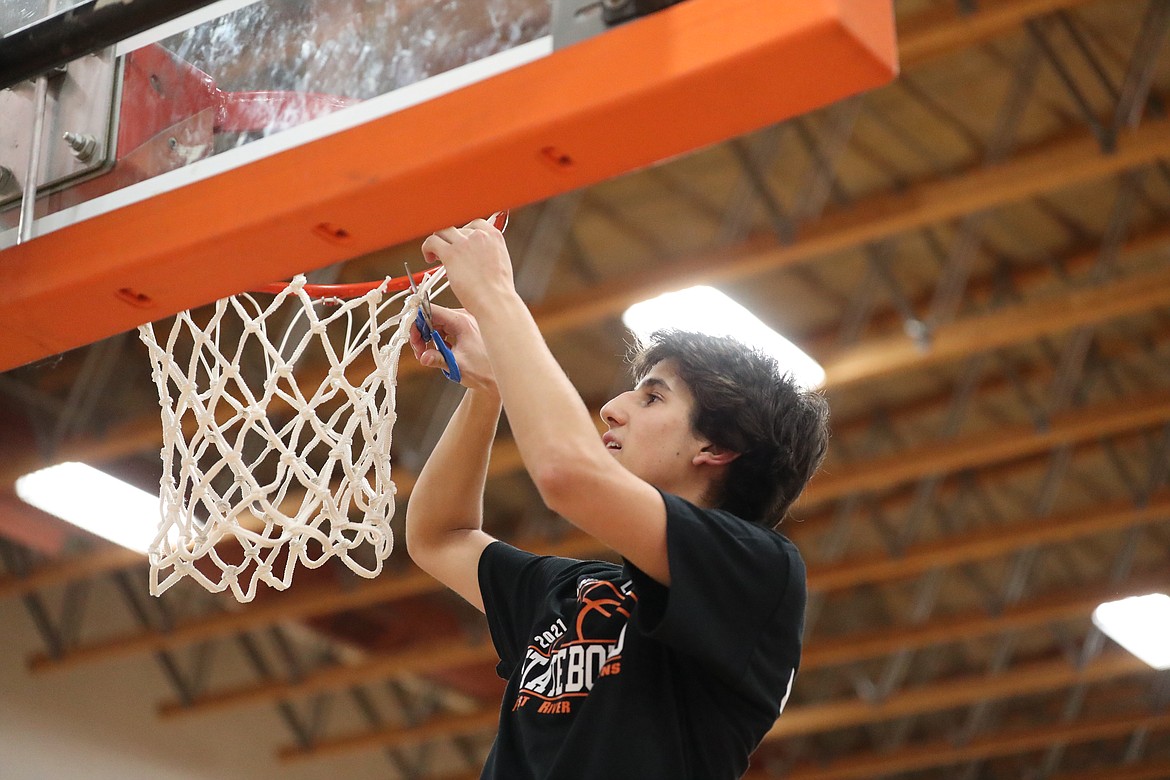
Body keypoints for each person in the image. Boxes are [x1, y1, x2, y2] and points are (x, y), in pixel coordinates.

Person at [404, 216, 830, 780]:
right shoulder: (574, 594)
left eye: (652, 398)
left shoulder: (757, 576)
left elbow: (565, 473)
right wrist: (487, 392)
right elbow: (438, 536)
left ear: (718, 446)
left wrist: (496, 297)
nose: (613, 407)